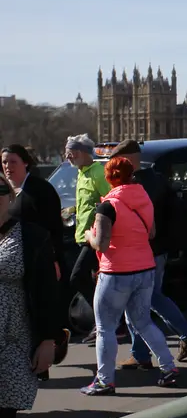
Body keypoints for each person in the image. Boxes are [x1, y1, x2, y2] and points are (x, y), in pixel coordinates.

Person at [81, 157, 178, 394]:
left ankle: (105, 380)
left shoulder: (107, 206)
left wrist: (88, 235)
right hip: (144, 269)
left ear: (109, 178)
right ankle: (168, 367)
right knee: (143, 322)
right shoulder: (143, 197)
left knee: (105, 328)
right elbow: (151, 232)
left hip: (116, 273)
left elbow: (102, 244)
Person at [109, 141, 187, 370]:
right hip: (155, 250)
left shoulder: (139, 184)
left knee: (142, 301)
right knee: (145, 300)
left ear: (129, 159)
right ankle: (142, 352)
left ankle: (184, 334)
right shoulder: (155, 179)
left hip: (144, 252)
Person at [0, 170, 64, 418]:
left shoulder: (30, 236)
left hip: (14, 337)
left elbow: (48, 292)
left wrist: (49, 340)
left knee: (5, 416)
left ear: (10, 196)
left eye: (1, 192)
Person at [64, 134, 111, 336]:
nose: (68, 157)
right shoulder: (82, 172)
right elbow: (88, 201)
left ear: (83, 152)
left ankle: (106, 319)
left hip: (93, 237)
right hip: (82, 235)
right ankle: (103, 323)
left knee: (77, 277)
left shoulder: (98, 172)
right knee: (94, 280)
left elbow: (109, 202)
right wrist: (71, 210)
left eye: (71, 153)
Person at [2, 145, 64, 273]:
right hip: (9, 258)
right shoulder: (4, 190)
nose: (8, 166)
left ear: (25, 163)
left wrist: (54, 259)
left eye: (13, 162)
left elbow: (54, 226)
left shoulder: (41, 189)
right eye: (4, 162)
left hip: (37, 257)